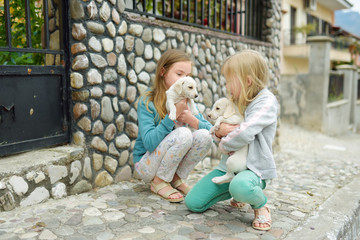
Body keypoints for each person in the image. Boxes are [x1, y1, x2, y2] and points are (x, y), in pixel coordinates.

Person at [185, 49, 278, 231]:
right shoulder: (235, 100)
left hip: (254, 169)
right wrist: (219, 133)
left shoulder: (266, 101)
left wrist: (223, 142)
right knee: (194, 202)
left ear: (247, 81)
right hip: (228, 167)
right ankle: (236, 190)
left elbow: (245, 132)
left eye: (229, 81)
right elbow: (218, 128)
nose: (226, 86)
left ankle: (261, 205)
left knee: (241, 185)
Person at [133, 49, 213, 203]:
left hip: (169, 165)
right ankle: (158, 182)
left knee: (204, 135)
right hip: (145, 164)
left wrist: (192, 120)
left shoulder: (186, 98)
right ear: (163, 72)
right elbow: (149, 144)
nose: (184, 79)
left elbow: (212, 132)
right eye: (179, 74)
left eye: (187, 75)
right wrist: (173, 117)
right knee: (183, 133)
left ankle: (175, 178)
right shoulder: (148, 101)